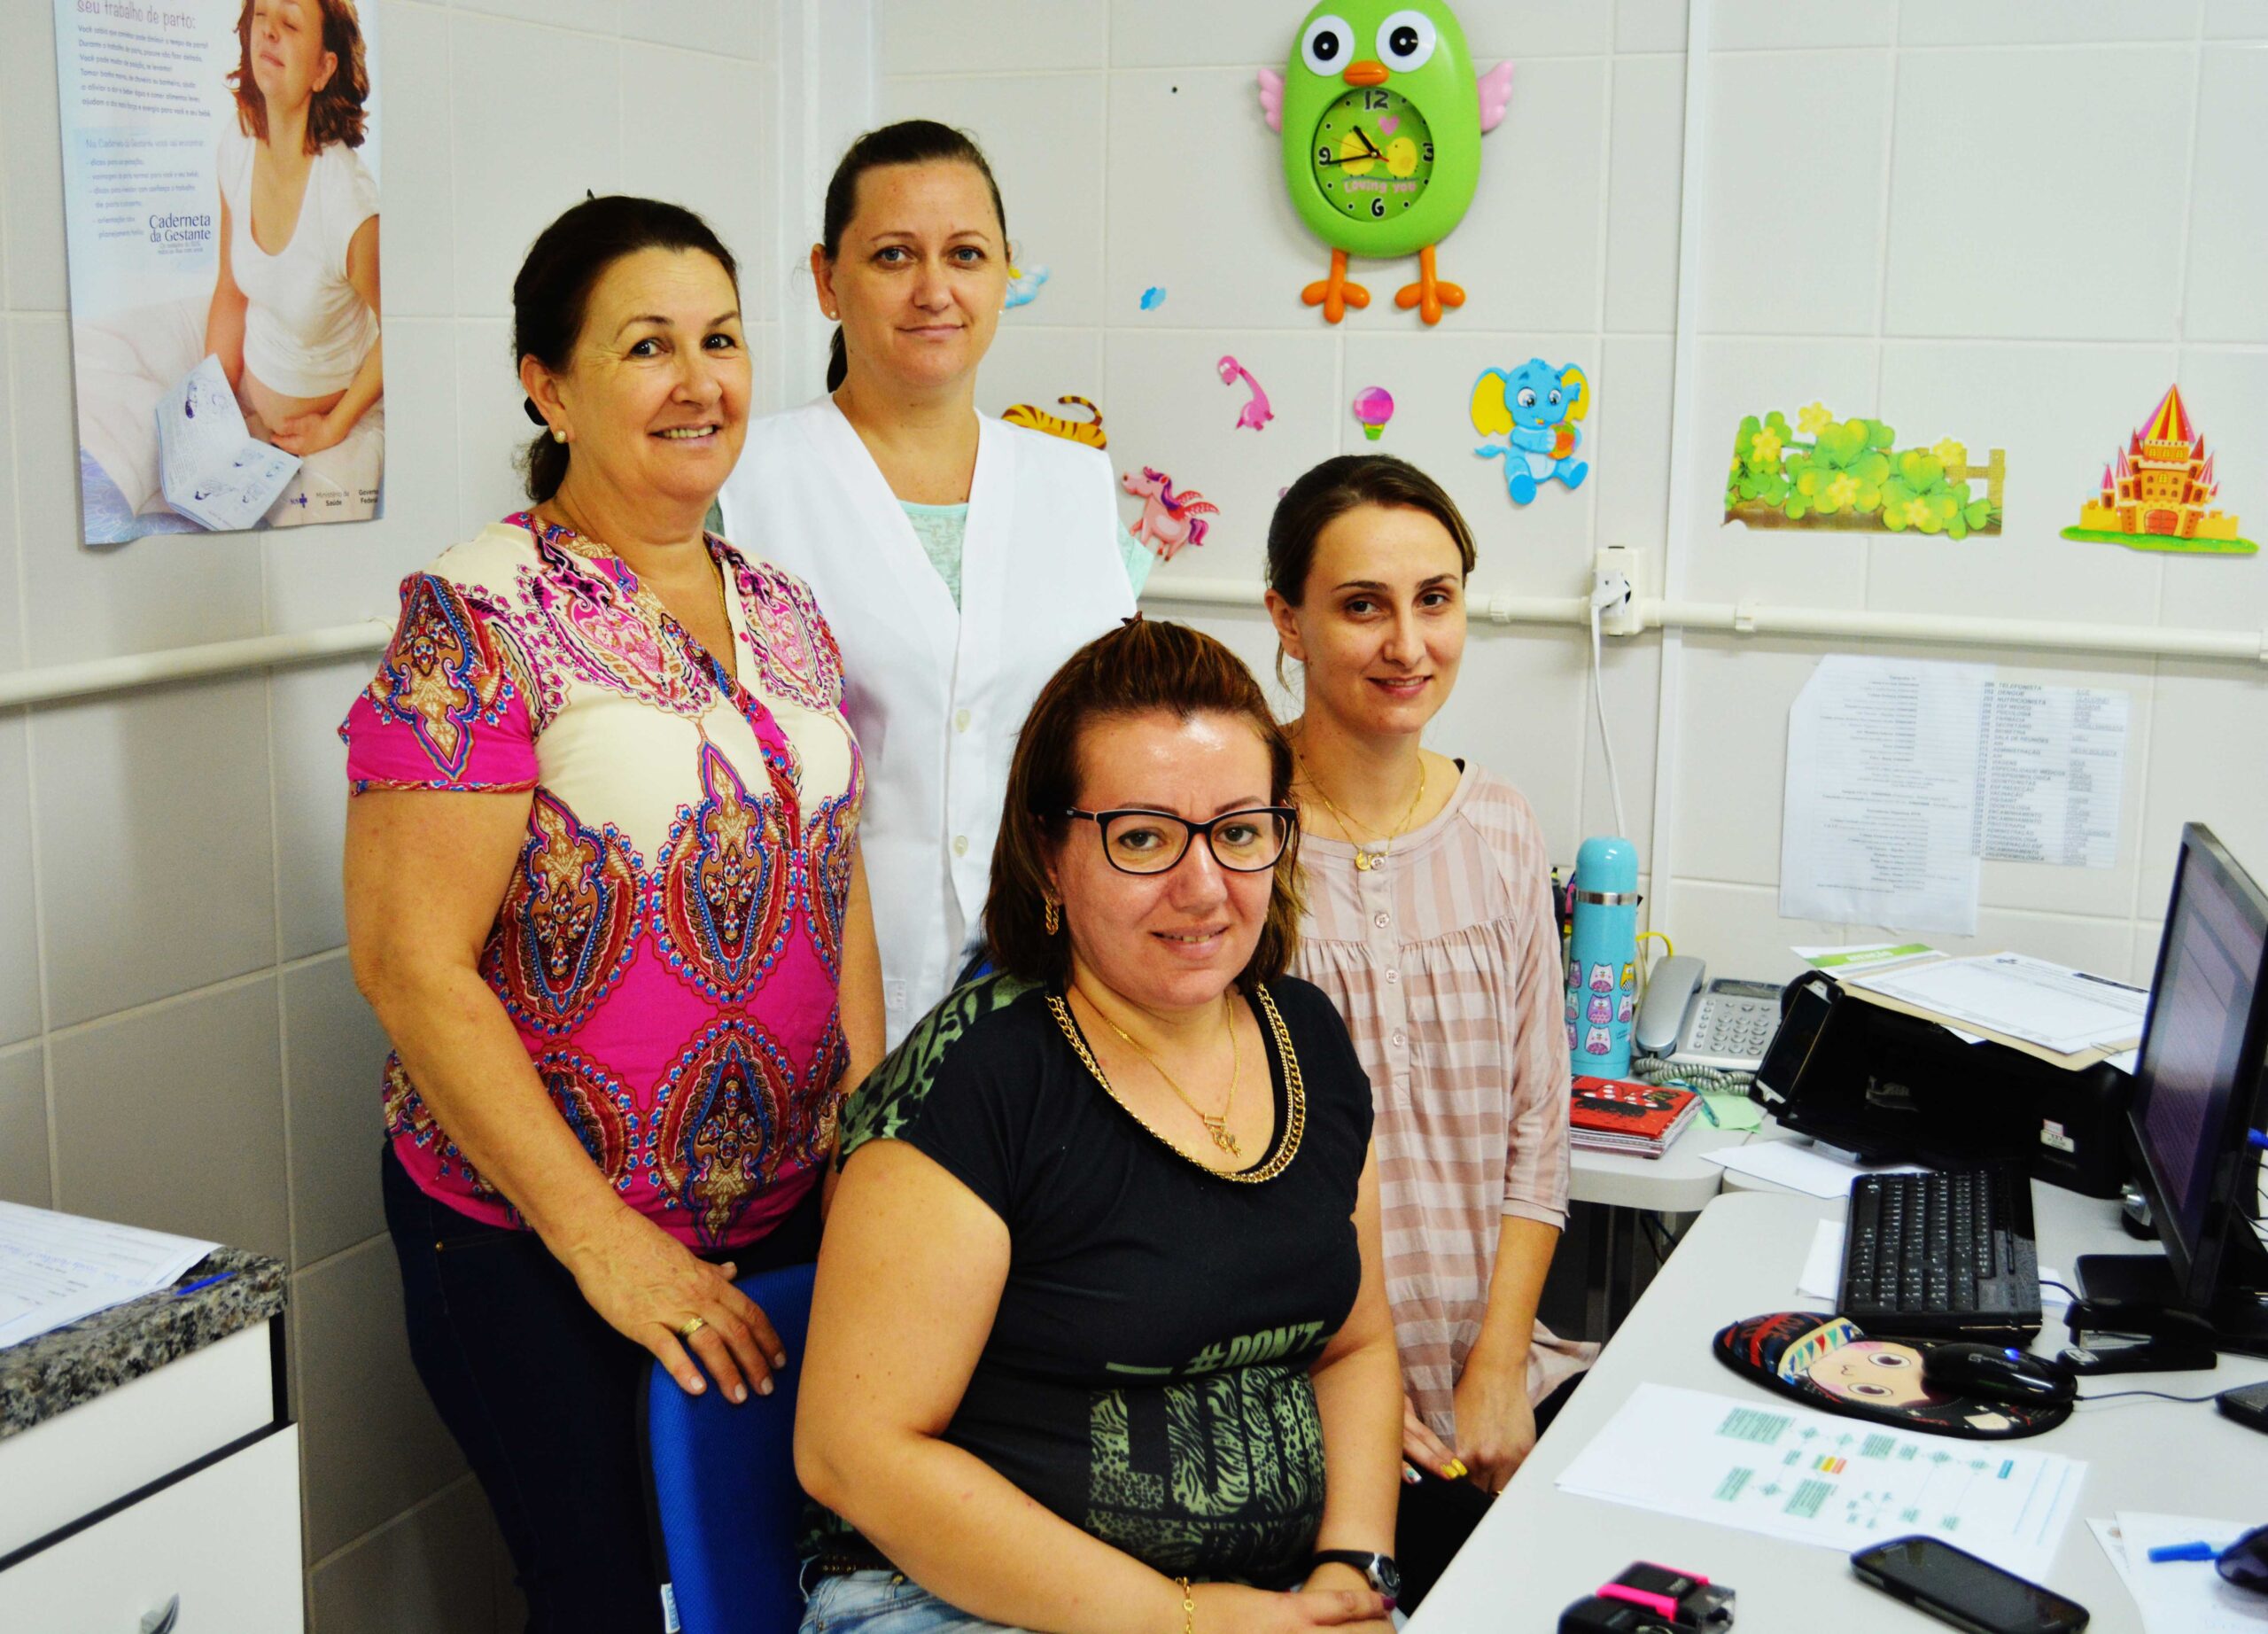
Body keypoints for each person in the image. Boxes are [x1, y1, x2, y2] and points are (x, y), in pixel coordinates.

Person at [343, 195, 884, 1634]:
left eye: (720, 337)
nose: (700, 379)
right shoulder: (476, 617)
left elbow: (839, 877)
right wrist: (604, 1243)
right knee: (610, 1600)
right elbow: (410, 963)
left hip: (778, 1211)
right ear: (549, 382)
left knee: (760, 1584)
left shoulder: (782, 608)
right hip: (530, 1243)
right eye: (649, 344)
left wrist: (867, 1132)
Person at [795, 619, 1402, 1634]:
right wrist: (1189, 1618)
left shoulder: (1309, 1040)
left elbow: (1357, 1345)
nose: (1202, 885)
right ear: (1048, 851)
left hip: (1261, 1603)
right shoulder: (979, 1078)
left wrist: (1352, 1569)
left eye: (1239, 830)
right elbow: (854, 1453)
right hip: (956, 1601)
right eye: (1142, 836)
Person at [718, 120, 1147, 1048]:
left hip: (1055, 987)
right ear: (828, 280)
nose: (934, 289)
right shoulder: (742, 485)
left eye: (965, 254)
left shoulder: (1075, 486)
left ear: (1003, 274)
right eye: (892, 255)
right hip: (807, 994)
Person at [1262, 455, 1592, 1611]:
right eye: (1364, 605)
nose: (1409, 643)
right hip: (1283, 1392)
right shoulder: (1232, 841)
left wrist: (1500, 1366)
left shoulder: (1500, 826)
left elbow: (1537, 1124)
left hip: (1489, 1383)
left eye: (1435, 599)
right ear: (1287, 620)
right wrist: (1331, 1385)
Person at [205, 0, 382, 458]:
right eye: (260, 16)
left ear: (323, 69)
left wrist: (334, 428)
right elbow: (230, 290)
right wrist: (211, 409)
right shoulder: (238, 141)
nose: (268, 31)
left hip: (332, 437)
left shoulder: (349, 204)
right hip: (251, 415)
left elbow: (403, 331)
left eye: (288, 23)